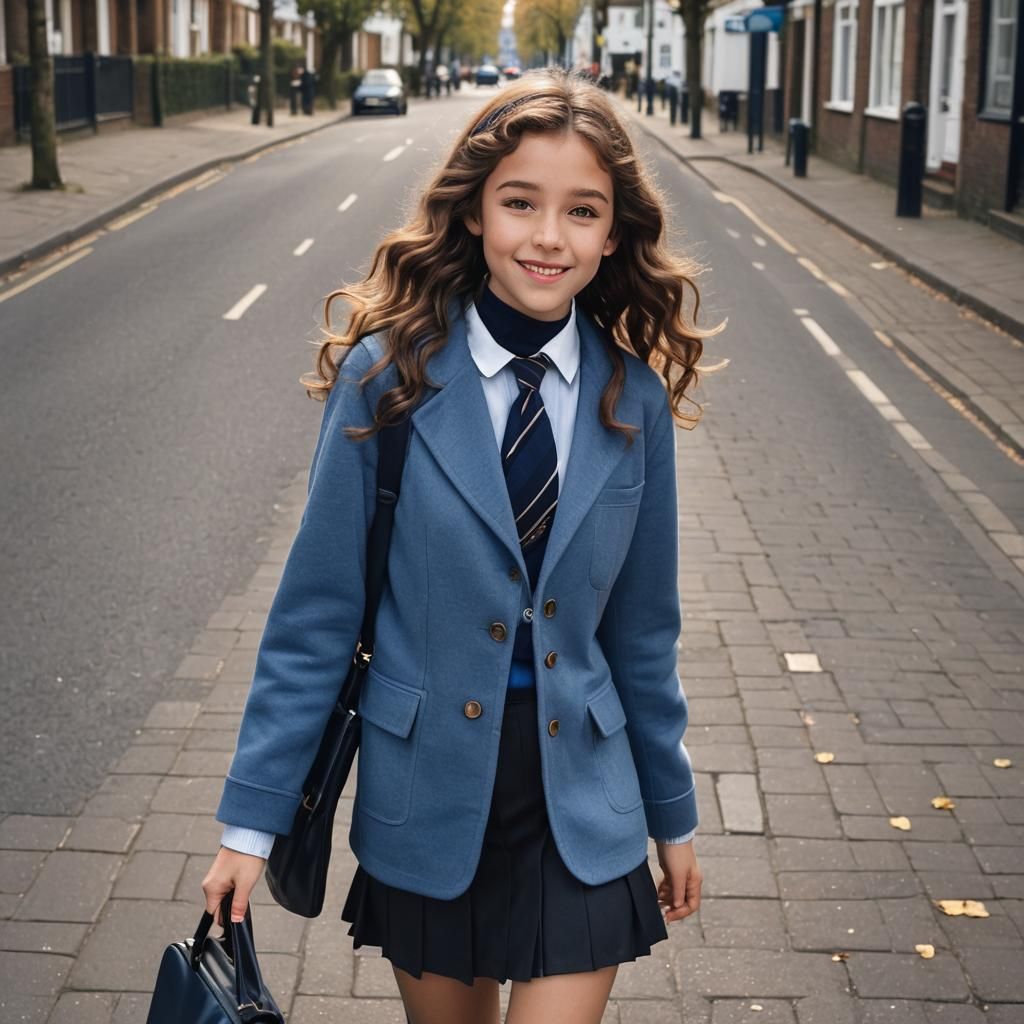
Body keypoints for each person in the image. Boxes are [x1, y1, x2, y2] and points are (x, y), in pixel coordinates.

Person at [203, 66, 725, 1024]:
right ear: (475, 210)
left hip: (582, 800)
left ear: (613, 235)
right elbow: (317, 617)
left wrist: (673, 814)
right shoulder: (386, 379)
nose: (547, 236)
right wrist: (251, 822)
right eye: (520, 202)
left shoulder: (631, 403)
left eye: (581, 211)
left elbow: (645, 634)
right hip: (428, 793)